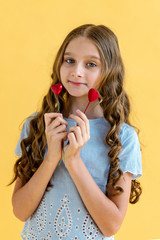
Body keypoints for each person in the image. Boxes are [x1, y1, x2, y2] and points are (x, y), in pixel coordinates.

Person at [10, 24, 142, 240]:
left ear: (109, 71)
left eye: (91, 64)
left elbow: (111, 225)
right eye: (69, 60)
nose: (76, 71)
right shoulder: (38, 125)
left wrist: (73, 161)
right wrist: (52, 157)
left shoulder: (122, 137)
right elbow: (20, 211)